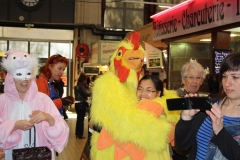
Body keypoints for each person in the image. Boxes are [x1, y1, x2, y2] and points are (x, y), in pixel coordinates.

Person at [0, 50, 69, 160]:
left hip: (40, 155)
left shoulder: (43, 99)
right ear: (11, 77)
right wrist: (14, 125)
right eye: (19, 75)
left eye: (28, 74)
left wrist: (49, 118)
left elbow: (61, 130)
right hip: (10, 155)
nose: (25, 80)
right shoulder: (2, 101)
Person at [175, 53, 240, 160]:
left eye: (235, 77)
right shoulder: (209, 106)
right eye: (224, 76)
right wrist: (186, 119)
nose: (227, 83)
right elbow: (182, 147)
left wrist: (220, 131)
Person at [174, 60, 207, 160]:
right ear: (183, 80)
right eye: (191, 77)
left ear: (201, 81)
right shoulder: (174, 98)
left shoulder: (203, 102)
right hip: (178, 152)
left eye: (198, 78)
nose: (195, 81)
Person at [74, 73, 91, 139]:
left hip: (77, 104)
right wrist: (94, 92)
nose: (86, 81)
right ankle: (79, 135)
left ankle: (78, 134)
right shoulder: (82, 86)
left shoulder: (77, 86)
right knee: (81, 120)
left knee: (78, 120)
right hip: (81, 104)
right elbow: (87, 94)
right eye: (85, 80)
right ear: (83, 80)